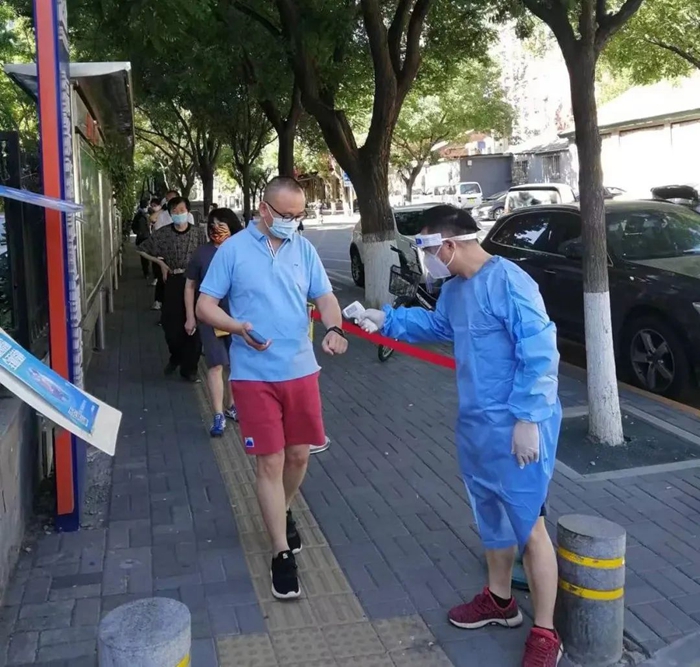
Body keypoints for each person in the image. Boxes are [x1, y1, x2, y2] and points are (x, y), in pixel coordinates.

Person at [359, 205, 563, 667]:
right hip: (477, 426)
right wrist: (386, 320)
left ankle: (546, 631)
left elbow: (539, 350)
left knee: (529, 524)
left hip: (518, 427)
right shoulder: (455, 288)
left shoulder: (509, 282)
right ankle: (500, 601)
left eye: (427, 250)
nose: (426, 261)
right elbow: (437, 325)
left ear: (448, 245)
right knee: (489, 514)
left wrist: (528, 418)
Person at [196, 176, 347, 600]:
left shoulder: (304, 249)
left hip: (300, 369)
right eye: (286, 215)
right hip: (253, 375)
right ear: (264, 209)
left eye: (300, 215)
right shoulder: (233, 250)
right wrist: (237, 327)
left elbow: (325, 297)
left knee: (298, 455)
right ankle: (280, 551)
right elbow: (205, 305)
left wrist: (334, 328)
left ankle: (283, 508)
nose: (293, 223)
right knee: (270, 461)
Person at [185, 208, 243, 437]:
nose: (216, 229)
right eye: (213, 224)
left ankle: (233, 405)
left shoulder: (241, 250)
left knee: (235, 364)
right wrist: (191, 316)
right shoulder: (202, 253)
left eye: (222, 224)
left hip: (237, 318)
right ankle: (218, 414)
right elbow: (190, 286)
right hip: (210, 318)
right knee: (216, 364)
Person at [137, 196, 207, 382]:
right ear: (169, 214)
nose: (179, 214)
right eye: (174, 211)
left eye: (182, 210)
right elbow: (142, 248)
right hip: (174, 281)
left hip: (196, 282)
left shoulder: (199, 234)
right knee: (171, 326)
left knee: (195, 325)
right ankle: (176, 355)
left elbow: (207, 255)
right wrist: (160, 263)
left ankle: (189, 369)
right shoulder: (163, 234)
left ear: (188, 212)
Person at [131, 198, 152, 280]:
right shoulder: (141, 215)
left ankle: (146, 271)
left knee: (145, 256)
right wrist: (139, 233)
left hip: (144, 237)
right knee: (145, 256)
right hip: (144, 238)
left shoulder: (141, 214)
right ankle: (146, 272)